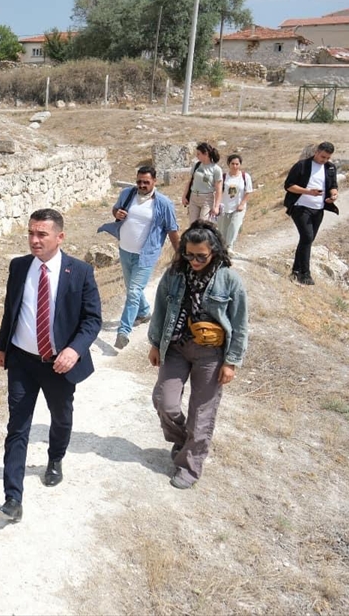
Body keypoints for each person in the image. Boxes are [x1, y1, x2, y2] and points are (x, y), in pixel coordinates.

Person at [0, 208, 101, 522]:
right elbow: (9, 311)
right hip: (22, 362)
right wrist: (2, 347)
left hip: (59, 365)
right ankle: (12, 499)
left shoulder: (79, 272)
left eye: (42, 234)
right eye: (31, 233)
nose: (34, 240)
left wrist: (74, 350)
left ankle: (55, 458)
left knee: (61, 416)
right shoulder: (19, 267)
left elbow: (92, 320)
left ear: (60, 237)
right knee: (17, 427)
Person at [147, 221, 248, 490]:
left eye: (200, 256)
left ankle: (190, 467)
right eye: (188, 254)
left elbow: (240, 324)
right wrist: (155, 344)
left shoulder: (229, 279)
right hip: (177, 347)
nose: (194, 260)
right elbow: (159, 309)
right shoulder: (174, 274)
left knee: (202, 413)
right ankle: (183, 439)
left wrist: (231, 362)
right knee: (164, 402)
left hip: (211, 355)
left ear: (214, 251)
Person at [98, 165, 180, 350]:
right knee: (132, 288)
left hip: (146, 255)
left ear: (154, 182)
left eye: (146, 182)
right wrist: (116, 213)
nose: (141, 185)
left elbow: (172, 229)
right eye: (139, 181)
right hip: (125, 250)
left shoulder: (163, 203)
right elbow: (116, 210)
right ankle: (143, 312)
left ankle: (123, 331)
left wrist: (180, 254)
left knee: (134, 291)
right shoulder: (127, 194)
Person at [282, 142, 338, 286]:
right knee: (307, 237)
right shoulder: (302, 165)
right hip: (300, 207)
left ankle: (295, 269)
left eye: (327, 158)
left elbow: (333, 186)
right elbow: (288, 186)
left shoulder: (330, 168)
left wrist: (333, 195)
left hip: (318, 209)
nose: (324, 160)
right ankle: (305, 274)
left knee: (308, 240)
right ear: (317, 152)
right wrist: (308, 191)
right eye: (322, 156)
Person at [216, 154, 253, 253]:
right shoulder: (224, 177)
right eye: (233, 164)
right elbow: (218, 191)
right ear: (229, 164)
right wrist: (216, 205)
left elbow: (248, 191)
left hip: (238, 207)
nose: (235, 166)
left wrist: (242, 204)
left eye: (237, 164)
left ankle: (229, 246)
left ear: (240, 164)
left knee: (234, 225)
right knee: (223, 229)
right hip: (225, 207)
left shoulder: (245, 177)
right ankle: (222, 249)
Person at [182, 142, 222, 224]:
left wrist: (216, 206)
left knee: (203, 224)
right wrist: (184, 196)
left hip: (207, 199)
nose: (197, 156)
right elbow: (190, 181)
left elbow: (219, 189)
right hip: (194, 197)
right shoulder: (197, 165)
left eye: (199, 154)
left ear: (206, 154)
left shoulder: (216, 169)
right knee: (193, 225)